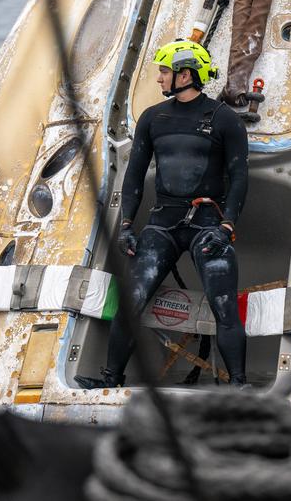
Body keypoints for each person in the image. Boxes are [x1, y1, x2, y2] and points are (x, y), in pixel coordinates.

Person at [76, 40, 249, 388]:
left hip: (207, 227)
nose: (159, 79)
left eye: (164, 71)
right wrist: (126, 225)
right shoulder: (154, 118)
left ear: (185, 75)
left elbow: (239, 177)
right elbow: (135, 176)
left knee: (225, 306)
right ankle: (111, 379)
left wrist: (226, 226)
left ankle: (239, 387)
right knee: (131, 300)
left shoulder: (224, 120)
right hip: (162, 226)